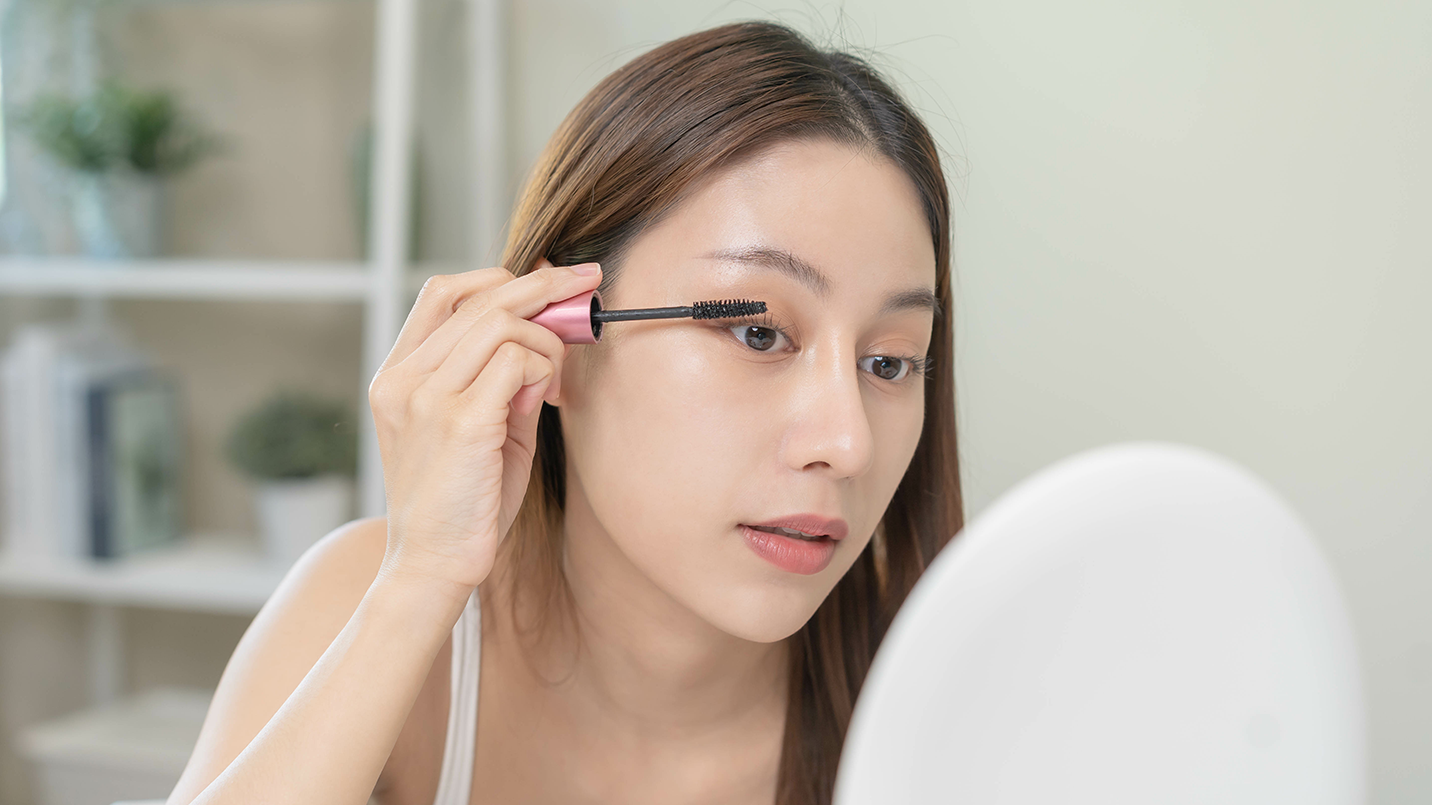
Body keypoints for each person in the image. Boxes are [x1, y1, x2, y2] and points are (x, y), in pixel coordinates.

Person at [166, 19, 963, 805]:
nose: (847, 441)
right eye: (759, 333)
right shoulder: (369, 605)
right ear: (558, 328)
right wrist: (421, 580)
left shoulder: (950, 686)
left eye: (888, 362)